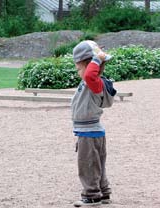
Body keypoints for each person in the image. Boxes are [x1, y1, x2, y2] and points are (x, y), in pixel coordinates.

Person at [71, 40, 116, 207]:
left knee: (88, 165)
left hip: (89, 133)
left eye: (79, 68)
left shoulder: (94, 82)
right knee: (97, 165)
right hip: (92, 132)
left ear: (89, 65)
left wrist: (97, 58)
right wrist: (97, 60)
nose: (78, 73)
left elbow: (90, 74)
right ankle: (103, 193)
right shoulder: (91, 82)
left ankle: (91, 196)